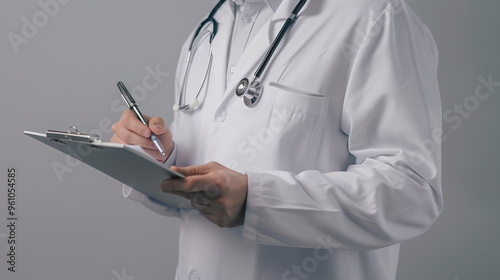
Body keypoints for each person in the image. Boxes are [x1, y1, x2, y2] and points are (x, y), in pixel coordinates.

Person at [111, 0, 443, 279]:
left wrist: (258, 201)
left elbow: (412, 190)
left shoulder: (375, 17)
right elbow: (202, 180)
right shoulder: (207, 32)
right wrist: (159, 157)